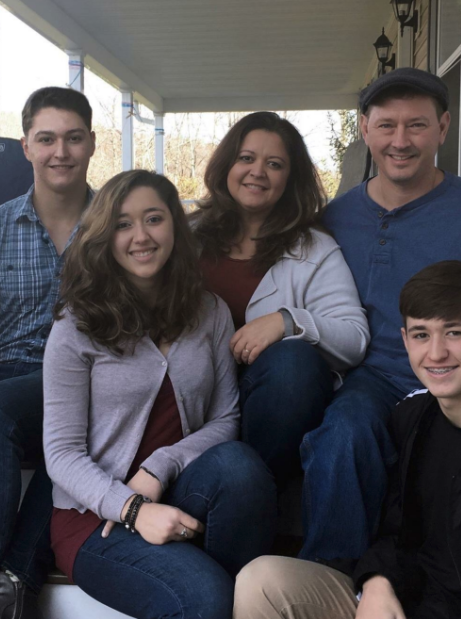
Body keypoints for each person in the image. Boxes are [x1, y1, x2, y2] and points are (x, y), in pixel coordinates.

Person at [297, 67, 461, 563]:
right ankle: (330, 583)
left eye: (416, 125)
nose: (401, 140)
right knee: (343, 434)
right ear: (363, 129)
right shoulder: (335, 219)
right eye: (387, 125)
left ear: (443, 128)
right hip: (374, 382)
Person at [234, 261, 461, 619]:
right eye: (421, 335)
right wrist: (378, 581)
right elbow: (394, 533)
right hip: (403, 601)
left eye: (454, 333)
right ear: (405, 340)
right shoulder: (415, 416)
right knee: (262, 581)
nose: (436, 353)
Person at [43, 169, 277, 619]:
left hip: (177, 492)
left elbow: (226, 420)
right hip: (98, 520)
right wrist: (133, 509)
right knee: (204, 595)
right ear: (104, 236)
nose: (141, 236)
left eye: (154, 219)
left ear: (175, 225)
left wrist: (158, 467)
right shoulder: (76, 325)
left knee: (240, 467)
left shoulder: (208, 311)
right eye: (123, 224)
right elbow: (61, 453)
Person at [0, 86, 96, 619]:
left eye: (73, 138)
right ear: (26, 146)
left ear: (92, 144)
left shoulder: (118, 228)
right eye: (46, 139)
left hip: (91, 382)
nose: (61, 152)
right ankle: (7, 590)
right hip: (12, 373)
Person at [193, 111, 369, 487]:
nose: (258, 171)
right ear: (227, 165)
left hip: (273, 404)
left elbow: (354, 339)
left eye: (274, 164)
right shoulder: (186, 238)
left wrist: (287, 322)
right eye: (246, 158)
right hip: (197, 394)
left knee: (293, 360)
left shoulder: (314, 248)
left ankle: (260, 489)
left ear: (290, 179)